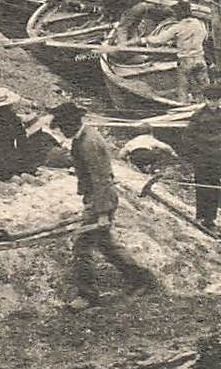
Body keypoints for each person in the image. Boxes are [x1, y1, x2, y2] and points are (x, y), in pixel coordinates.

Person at [51, 102, 158, 309]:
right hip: (96, 198)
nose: (62, 130)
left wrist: (102, 212)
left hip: (101, 199)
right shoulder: (83, 137)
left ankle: (87, 296)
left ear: (73, 123)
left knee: (82, 246)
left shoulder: (88, 142)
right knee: (106, 244)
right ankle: (142, 279)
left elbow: (102, 179)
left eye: (64, 126)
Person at [182, 84, 221, 230]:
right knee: (202, 186)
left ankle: (210, 219)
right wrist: (195, 152)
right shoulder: (198, 115)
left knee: (214, 186)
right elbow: (188, 136)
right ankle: (200, 216)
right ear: (205, 99)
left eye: (216, 100)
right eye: (210, 100)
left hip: (217, 156)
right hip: (202, 157)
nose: (213, 103)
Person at [143, 0, 209, 101]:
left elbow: (158, 40)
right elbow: (205, 37)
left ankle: (184, 106)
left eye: (175, 13)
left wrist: (143, 39)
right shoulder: (200, 23)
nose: (174, 16)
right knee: (204, 85)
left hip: (186, 60)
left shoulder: (177, 27)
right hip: (200, 58)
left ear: (180, 13)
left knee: (183, 87)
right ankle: (206, 102)